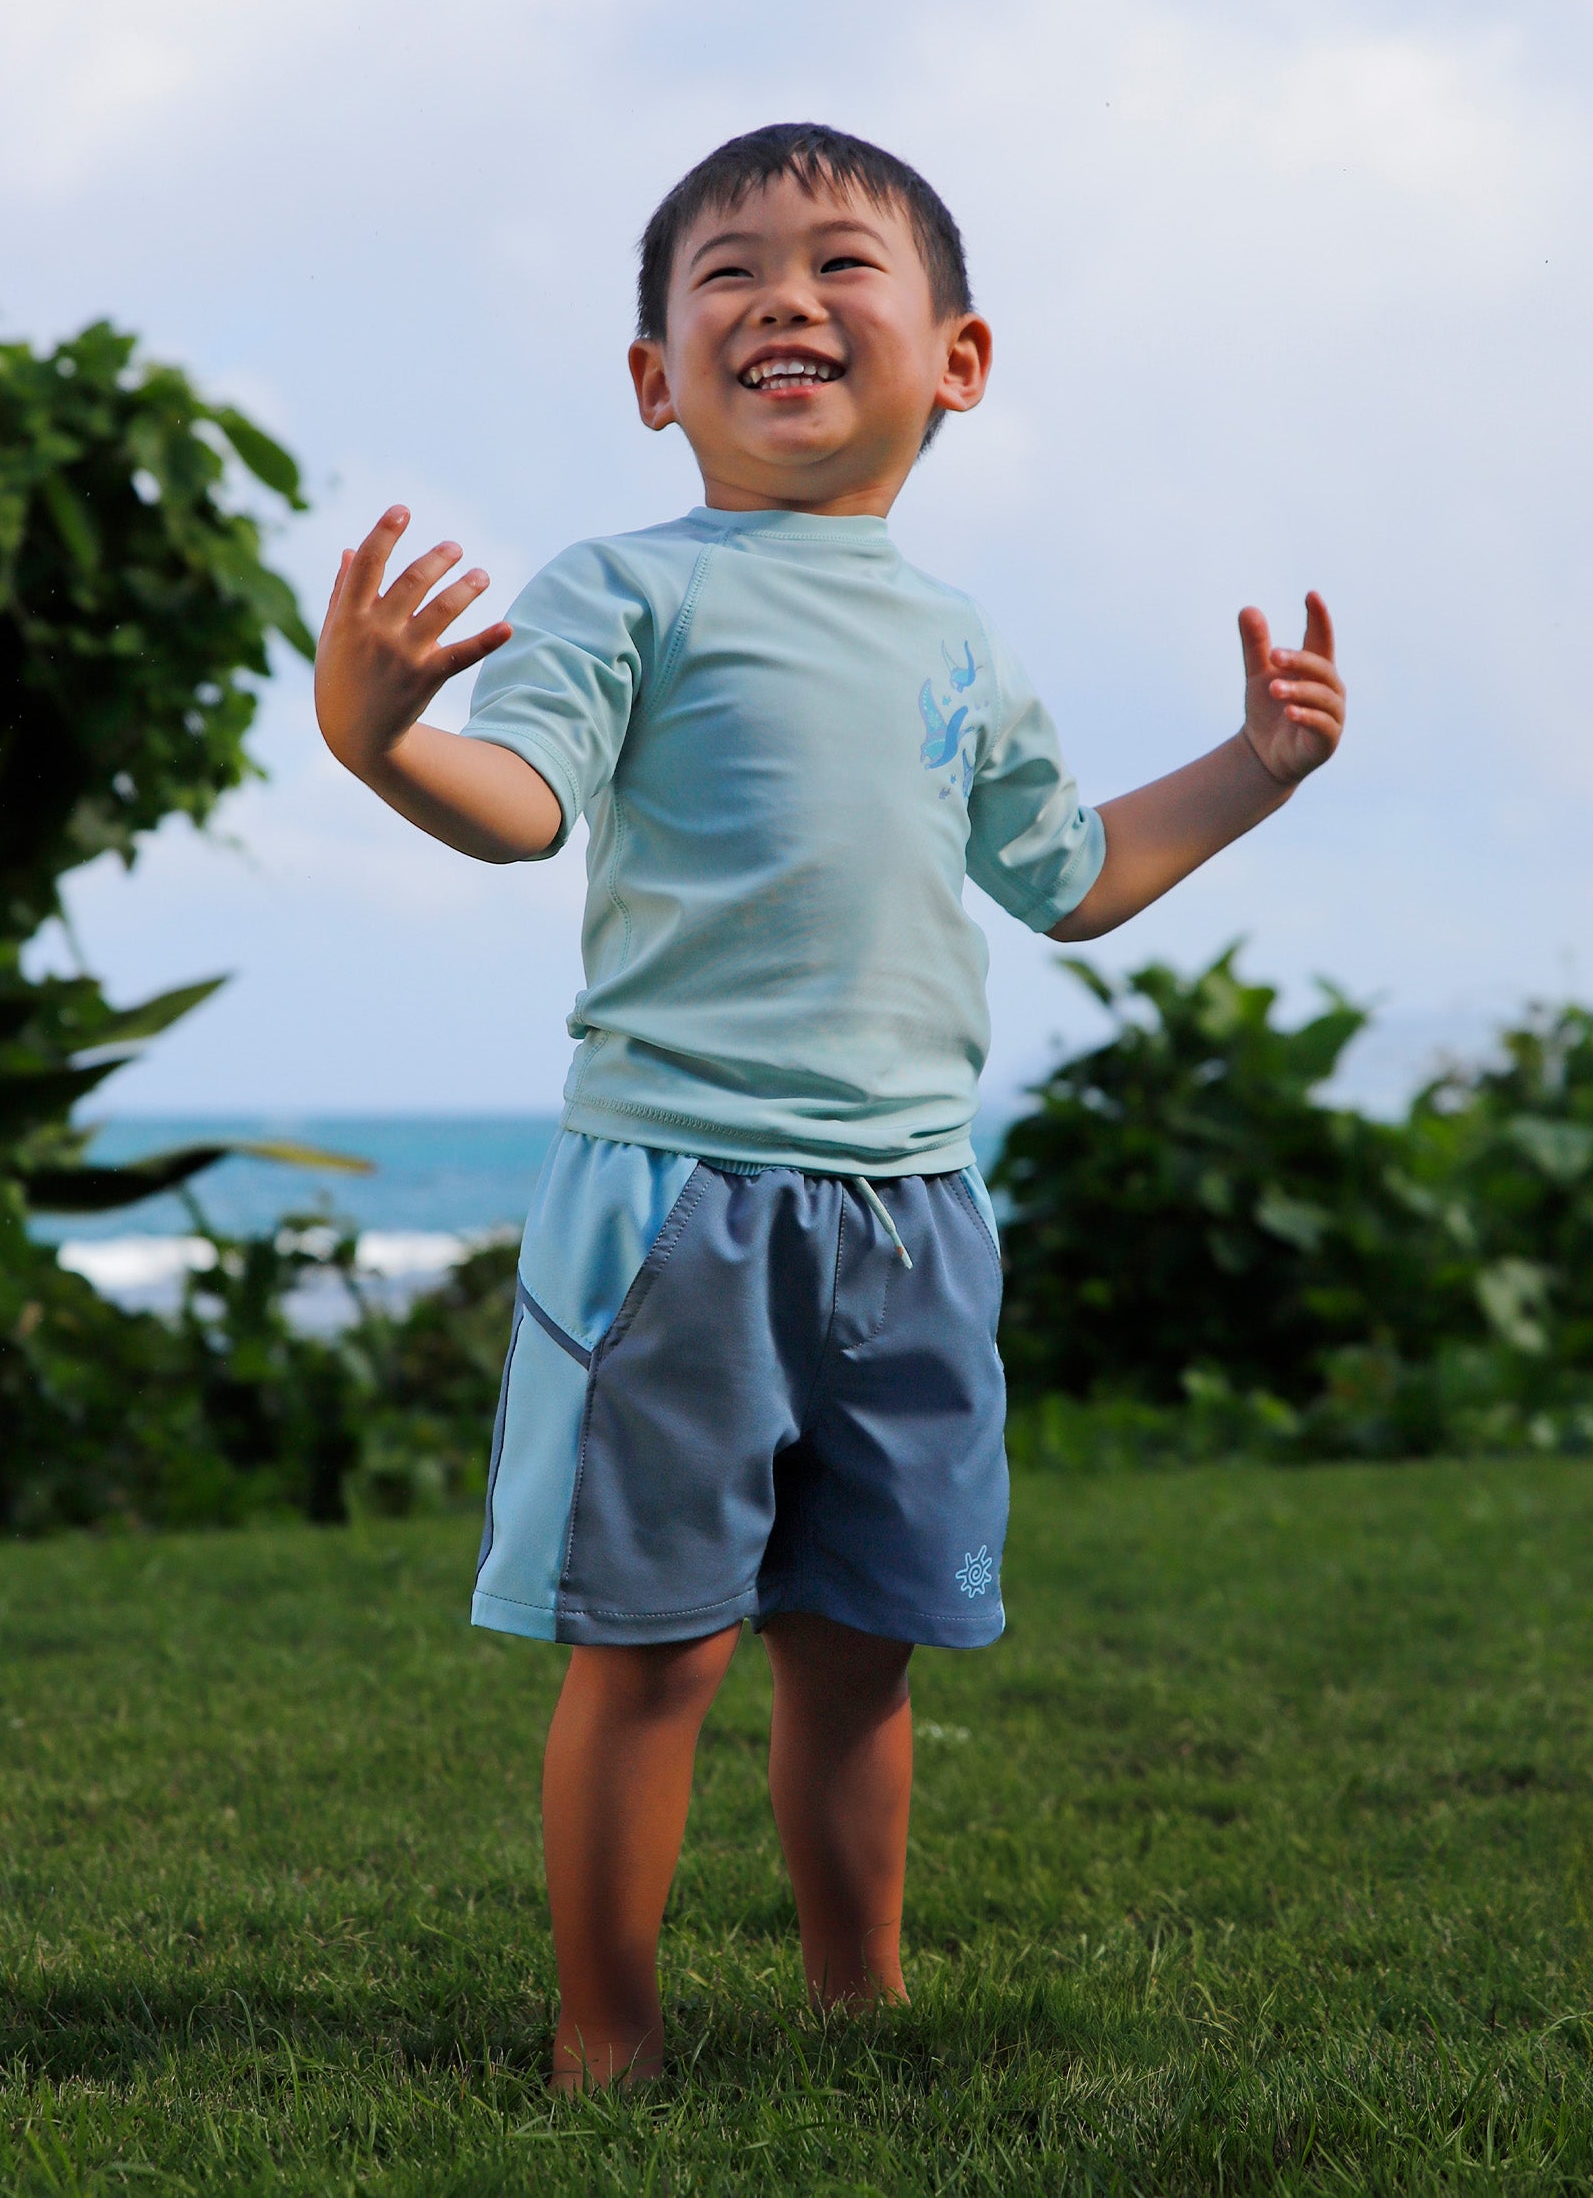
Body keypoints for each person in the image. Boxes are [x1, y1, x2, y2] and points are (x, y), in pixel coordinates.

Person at [314, 122, 1345, 2090]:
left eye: (837, 261)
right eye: (726, 273)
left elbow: (1071, 876)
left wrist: (1250, 766)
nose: (781, 295)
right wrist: (382, 743)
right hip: (677, 1207)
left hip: (908, 1208)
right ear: (653, 379)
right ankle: (603, 2029)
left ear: (954, 356)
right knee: (655, 1646)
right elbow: (521, 804)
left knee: (860, 1637)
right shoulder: (621, 589)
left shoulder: (958, 639)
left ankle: (852, 1991)